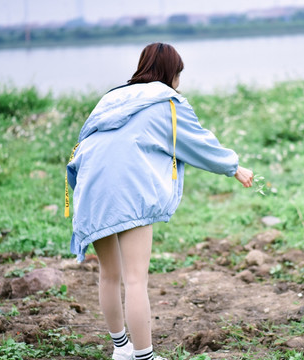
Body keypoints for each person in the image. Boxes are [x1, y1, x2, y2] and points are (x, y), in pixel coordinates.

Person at [66, 42, 253, 360]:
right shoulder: (167, 102)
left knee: (109, 275)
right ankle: (145, 356)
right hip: (128, 191)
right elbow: (197, 142)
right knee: (136, 278)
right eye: (179, 73)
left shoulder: (111, 97)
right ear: (172, 73)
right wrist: (234, 167)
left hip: (91, 187)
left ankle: (121, 349)